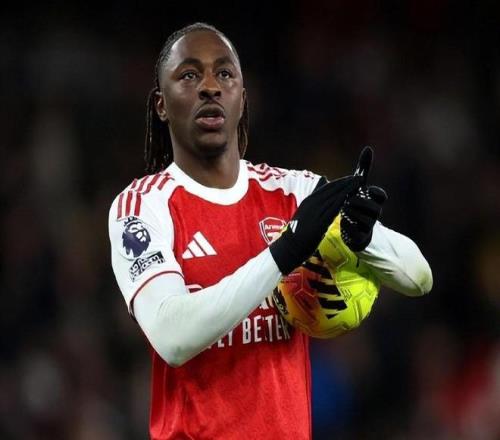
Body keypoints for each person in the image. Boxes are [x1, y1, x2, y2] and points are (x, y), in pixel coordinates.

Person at [108, 22, 433, 440]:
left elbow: (419, 277)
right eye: (189, 75)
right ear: (161, 105)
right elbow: (173, 337)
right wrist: (287, 249)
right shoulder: (142, 207)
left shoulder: (295, 191)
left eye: (225, 73)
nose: (210, 87)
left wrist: (364, 238)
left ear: (242, 98)